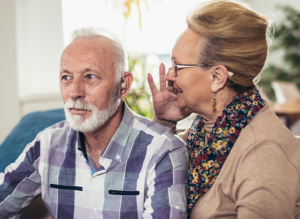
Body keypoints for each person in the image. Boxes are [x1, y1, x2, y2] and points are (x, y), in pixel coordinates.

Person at [0, 27, 188, 219]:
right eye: (67, 77)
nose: (74, 92)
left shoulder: (164, 151)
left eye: (90, 77)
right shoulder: (47, 144)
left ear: (123, 85)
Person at [147, 0, 300, 218]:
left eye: (177, 66)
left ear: (217, 77)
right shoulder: (202, 135)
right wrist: (165, 121)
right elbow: (146, 177)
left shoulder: (264, 153)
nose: (170, 76)